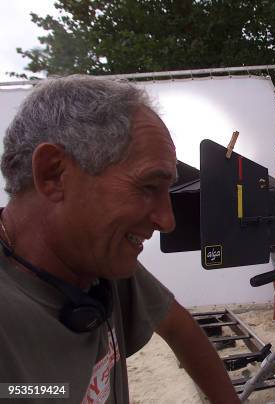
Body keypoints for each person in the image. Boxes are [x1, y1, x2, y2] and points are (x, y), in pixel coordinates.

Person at [0, 75, 239, 403]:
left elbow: (180, 328)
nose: (167, 221)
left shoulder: (95, 261)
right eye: (147, 187)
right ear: (53, 174)